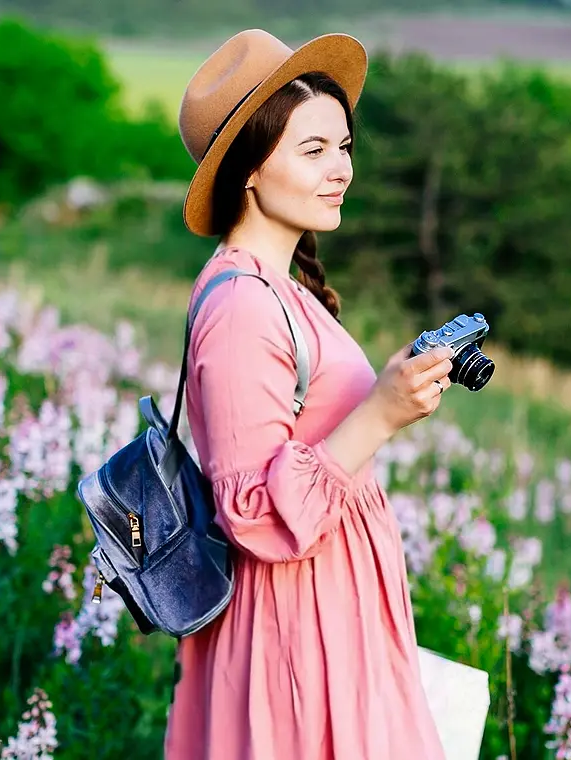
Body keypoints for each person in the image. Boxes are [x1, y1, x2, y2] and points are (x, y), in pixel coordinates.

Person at [165, 28, 454, 760]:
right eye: (314, 150)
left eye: (345, 147)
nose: (342, 171)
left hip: (332, 611)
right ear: (250, 171)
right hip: (292, 629)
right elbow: (253, 514)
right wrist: (382, 412)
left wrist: (394, 396)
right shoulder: (241, 307)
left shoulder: (282, 292)